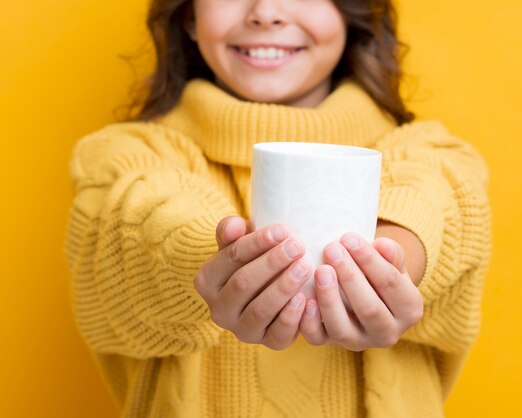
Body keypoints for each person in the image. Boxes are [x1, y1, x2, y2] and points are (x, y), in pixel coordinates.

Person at [65, 0, 491, 416]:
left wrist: (396, 257)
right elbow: (137, 217)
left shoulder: (430, 152)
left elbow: (436, 193)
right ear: (189, 17)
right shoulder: (121, 156)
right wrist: (212, 265)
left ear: (350, 12)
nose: (265, 11)